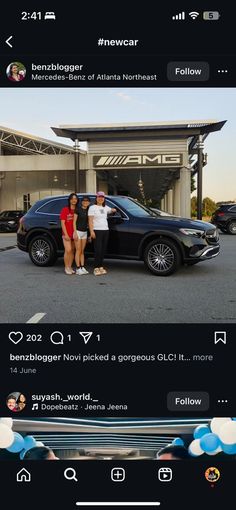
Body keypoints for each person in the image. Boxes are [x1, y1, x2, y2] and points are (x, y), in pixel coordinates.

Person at [88, 191, 116, 276]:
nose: (101, 198)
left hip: (105, 230)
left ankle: (100, 266)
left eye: (102, 197)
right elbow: (90, 221)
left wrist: (114, 209)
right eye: (99, 197)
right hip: (97, 230)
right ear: (96, 198)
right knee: (98, 250)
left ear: (104, 199)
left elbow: (111, 210)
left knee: (103, 250)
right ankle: (96, 268)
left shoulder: (105, 207)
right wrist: (91, 231)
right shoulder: (92, 207)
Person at [60, 193, 78, 275]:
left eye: (75, 199)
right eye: (72, 199)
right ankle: (66, 267)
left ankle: (70, 267)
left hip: (75, 233)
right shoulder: (65, 209)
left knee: (73, 251)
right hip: (67, 233)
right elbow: (63, 223)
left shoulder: (77, 210)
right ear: (69, 200)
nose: (74, 200)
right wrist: (66, 234)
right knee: (68, 250)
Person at [73, 196, 91, 275]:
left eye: (87, 201)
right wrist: (75, 232)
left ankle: (82, 267)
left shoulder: (89, 210)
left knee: (82, 251)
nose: (85, 202)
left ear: (89, 202)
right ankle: (77, 268)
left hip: (84, 232)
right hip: (78, 231)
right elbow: (74, 222)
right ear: (81, 202)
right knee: (78, 250)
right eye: (84, 201)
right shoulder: (78, 209)